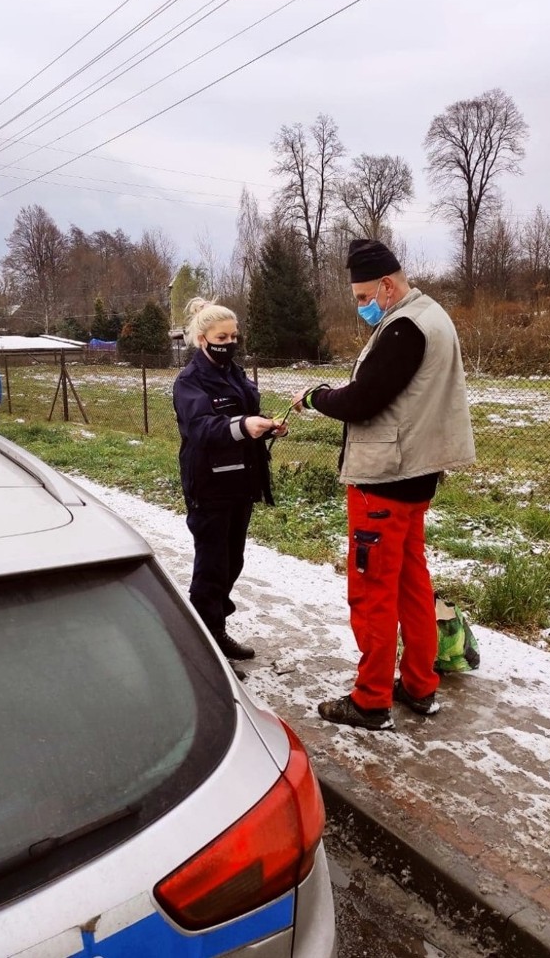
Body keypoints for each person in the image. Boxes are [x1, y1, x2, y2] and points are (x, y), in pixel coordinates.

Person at [293, 239, 475, 731]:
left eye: (362, 297)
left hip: (384, 481)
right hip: (415, 478)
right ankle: (419, 685)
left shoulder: (403, 328)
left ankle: (371, 699)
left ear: (387, 285)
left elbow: (363, 401)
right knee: (412, 586)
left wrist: (316, 397)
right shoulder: (431, 315)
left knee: (372, 591)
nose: (361, 306)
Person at [173, 298, 281, 662]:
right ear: (202, 339)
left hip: (241, 482)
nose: (231, 342)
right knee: (212, 564)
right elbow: (201, 427)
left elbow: (245, 416)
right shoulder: (190, 380)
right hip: (209, 484)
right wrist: (243, 426)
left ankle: (215, 629)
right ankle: (204, 644)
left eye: (235, 335)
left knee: (233, 560)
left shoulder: (235, 373)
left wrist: (265, 426)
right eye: (223, 336)